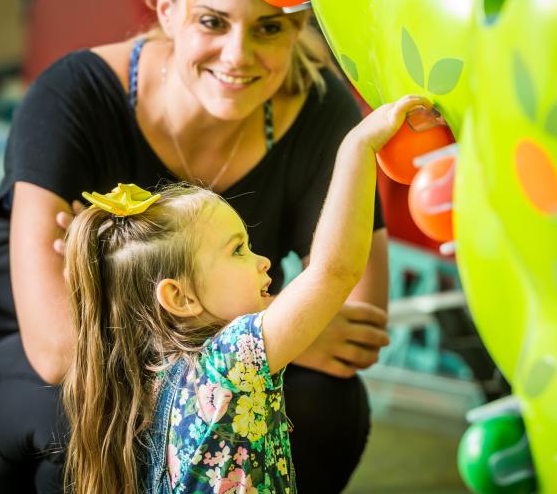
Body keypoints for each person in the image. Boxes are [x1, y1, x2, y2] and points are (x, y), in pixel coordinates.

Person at [0, 0, 392, 493]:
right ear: (166, 9)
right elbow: (59, 350)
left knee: (327, 402)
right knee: (100, 403)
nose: (239, 55)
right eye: (212, 22)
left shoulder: (318, 108)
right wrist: (279, 328)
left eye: (269, 27)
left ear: (298, 27)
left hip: (167, 352)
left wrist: (262, 336)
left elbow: (355, 327)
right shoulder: (74, 98)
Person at [64, 95, 428, 494]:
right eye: (238, 249)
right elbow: (334, 271)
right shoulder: (229, 360)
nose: (263, 260)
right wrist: (357, 147)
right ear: (180, 298)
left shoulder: (153, 374)